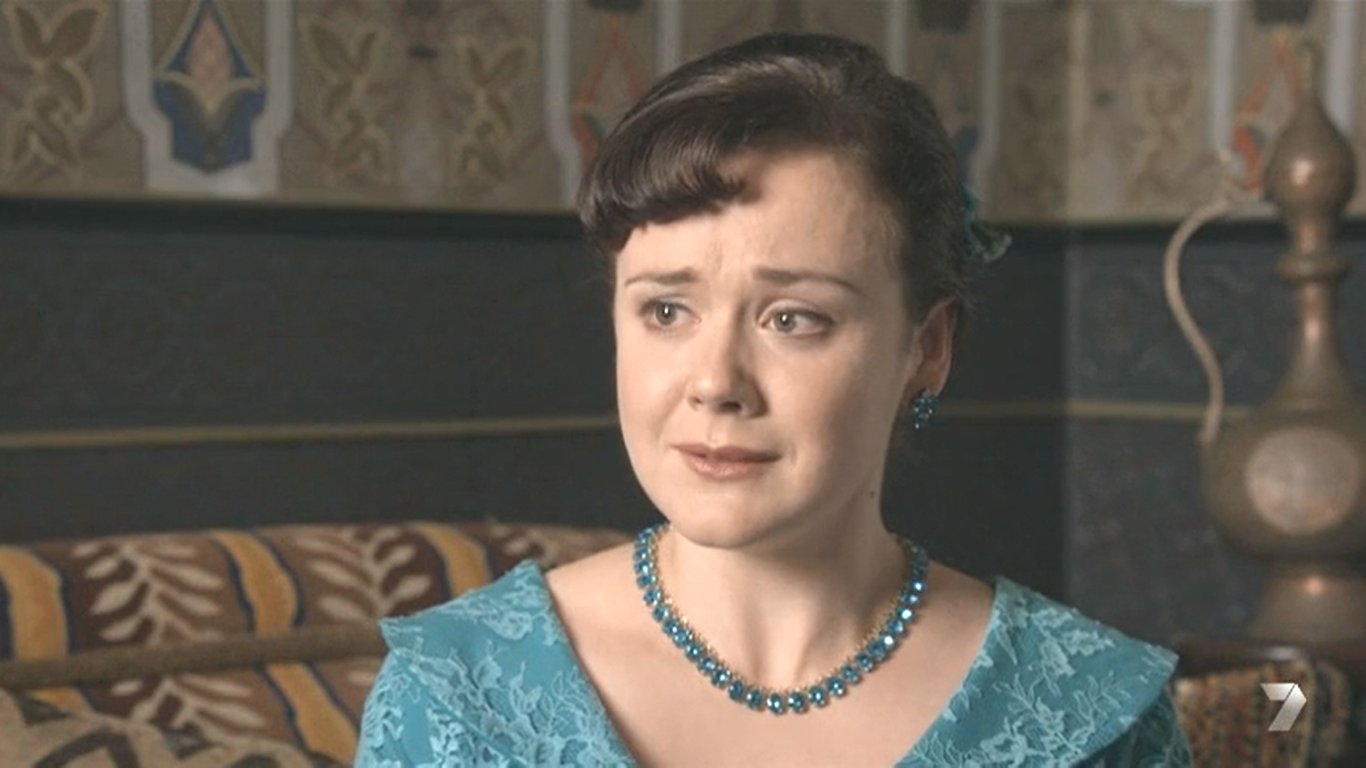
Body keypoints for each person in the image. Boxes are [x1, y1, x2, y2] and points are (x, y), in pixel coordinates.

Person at [355, 33, 1192, 766]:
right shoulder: (458, 692)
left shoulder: (1092, 714)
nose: (715, 383)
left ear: (925, 348)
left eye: (794, 319)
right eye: (666, 311)